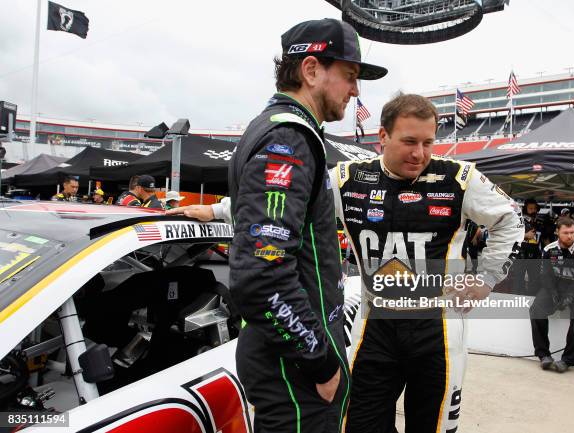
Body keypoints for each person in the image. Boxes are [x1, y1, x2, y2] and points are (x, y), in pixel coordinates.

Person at [170, 93, 523, 433]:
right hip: (375, 323)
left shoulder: (460, 177)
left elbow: (510, 220)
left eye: (429, 143)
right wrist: (216, 209)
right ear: (382, 136)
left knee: (432, 424)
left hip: (438, 326)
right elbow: (285, 199)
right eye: (409, 141)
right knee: (357, 423)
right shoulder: (350, 178)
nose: (420, 154)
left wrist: (485, 279)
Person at [176, 18, 386, 433]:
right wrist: (321, 361)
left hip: (286, 359)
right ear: (311, 70)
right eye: (349, 75)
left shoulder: (281, 130)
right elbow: (261, 274)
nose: (356, 90)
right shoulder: (288, 138)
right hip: (294, 368)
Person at [529, 217, 574, 373]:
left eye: (572, 232)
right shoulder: (548, 250)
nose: (570, 236)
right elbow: (545, 276)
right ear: (557, 232)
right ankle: (544, 355)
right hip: (556, 287)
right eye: (566, 233)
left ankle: (567, 360)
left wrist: (571, 295)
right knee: (536, 310)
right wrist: (552, 292)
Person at [511, 198, 552, 295]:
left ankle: (531, 302)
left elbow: (545, 238)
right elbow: (509, 236)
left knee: (535, 282)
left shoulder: (540, 222)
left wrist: (551, 251)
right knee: (518, 281)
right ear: (525, 208)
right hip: (520, 255)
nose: (533, 210)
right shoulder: (518, 220)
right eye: (530, 208)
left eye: (535, 208)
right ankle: (515, 303)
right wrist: (525, 235)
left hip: (535, 256)